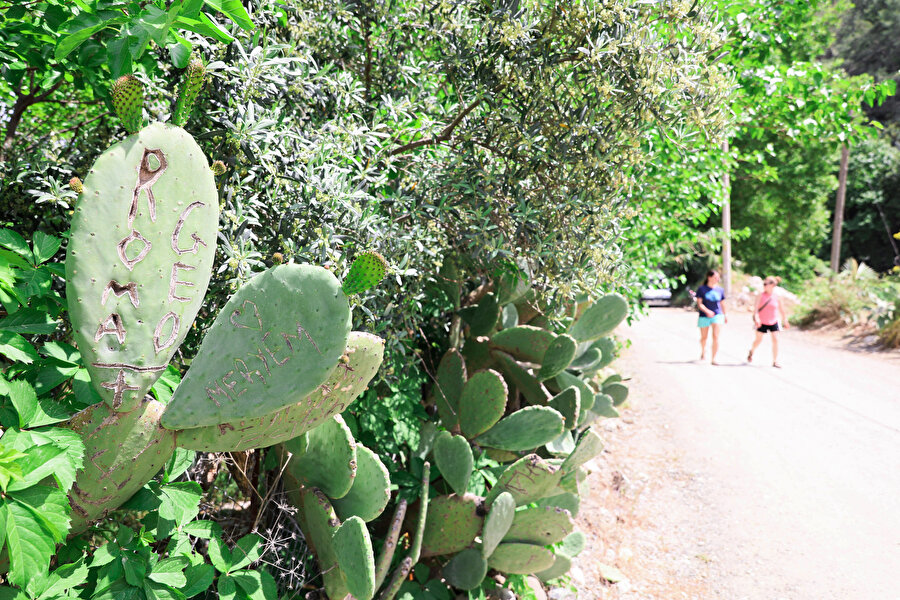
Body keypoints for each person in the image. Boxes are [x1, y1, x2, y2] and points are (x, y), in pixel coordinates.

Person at [747, 276, 789, 367]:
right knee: (758, 340)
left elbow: (782, 309)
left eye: (766, 284)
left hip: (774, 320)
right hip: (762, 321)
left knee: (775, 339)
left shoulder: (777, 296)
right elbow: (756, 310)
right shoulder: (760, 295)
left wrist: (785, 320)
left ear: (773, 285)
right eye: (764, 284)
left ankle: (775, 361)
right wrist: (757, 319)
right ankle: (752, 351)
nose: (764, 286)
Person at [695, 270, 727, 364]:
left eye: (718, 277)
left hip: (717, 315)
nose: (717, 279)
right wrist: (707, 311)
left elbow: (722, 303)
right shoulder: (702, 289)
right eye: (715, 277)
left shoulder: (720, 290)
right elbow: (699, 304)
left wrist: (725, 314)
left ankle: (714, 358)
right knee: (704, 337)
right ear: (709, 277)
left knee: (716, 337)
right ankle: (703, 350)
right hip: (704, 315)